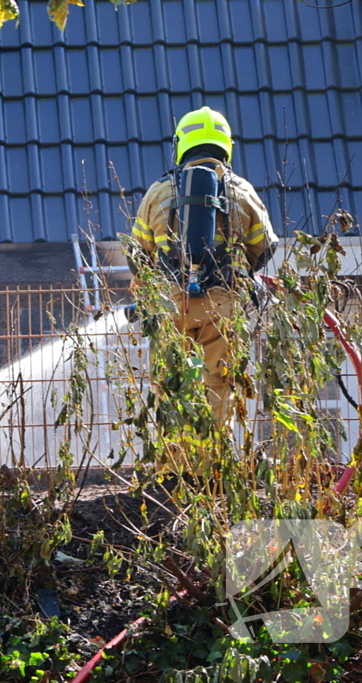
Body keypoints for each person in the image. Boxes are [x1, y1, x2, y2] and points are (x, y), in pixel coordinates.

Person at [124, 106, 278, 468]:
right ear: (226, 145)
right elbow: (265, 247)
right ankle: (208, 473)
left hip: (169, 304)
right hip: (222, 306)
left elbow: (136, 253)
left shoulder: (159, 191)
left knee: (170, 384)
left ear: (181, 144)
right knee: (216, 385)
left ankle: (172, 470)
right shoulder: (242, 191)